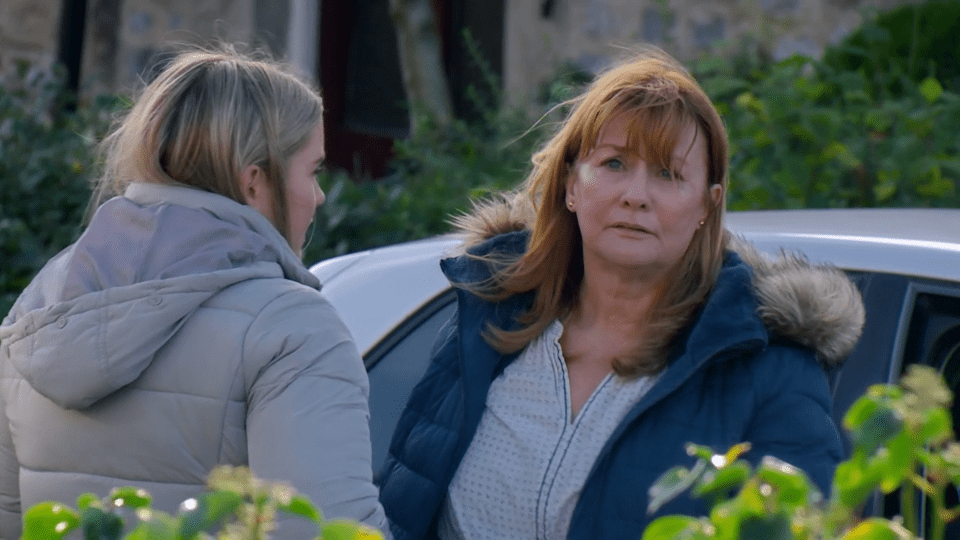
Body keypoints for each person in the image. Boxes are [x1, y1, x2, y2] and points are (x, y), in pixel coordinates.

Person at [377, 47, 865, 540]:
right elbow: (402, 515)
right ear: (571, 185)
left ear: (706, 205)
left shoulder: (770, 371)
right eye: (613, 164)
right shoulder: (486, 323)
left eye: (668, 174)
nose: (636, 194)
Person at [0, 47, 388, 538]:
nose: (319, 196)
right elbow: (323, 530)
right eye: (312, 171)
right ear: (254, 182)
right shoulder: (291, 328)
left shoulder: (40, 312)